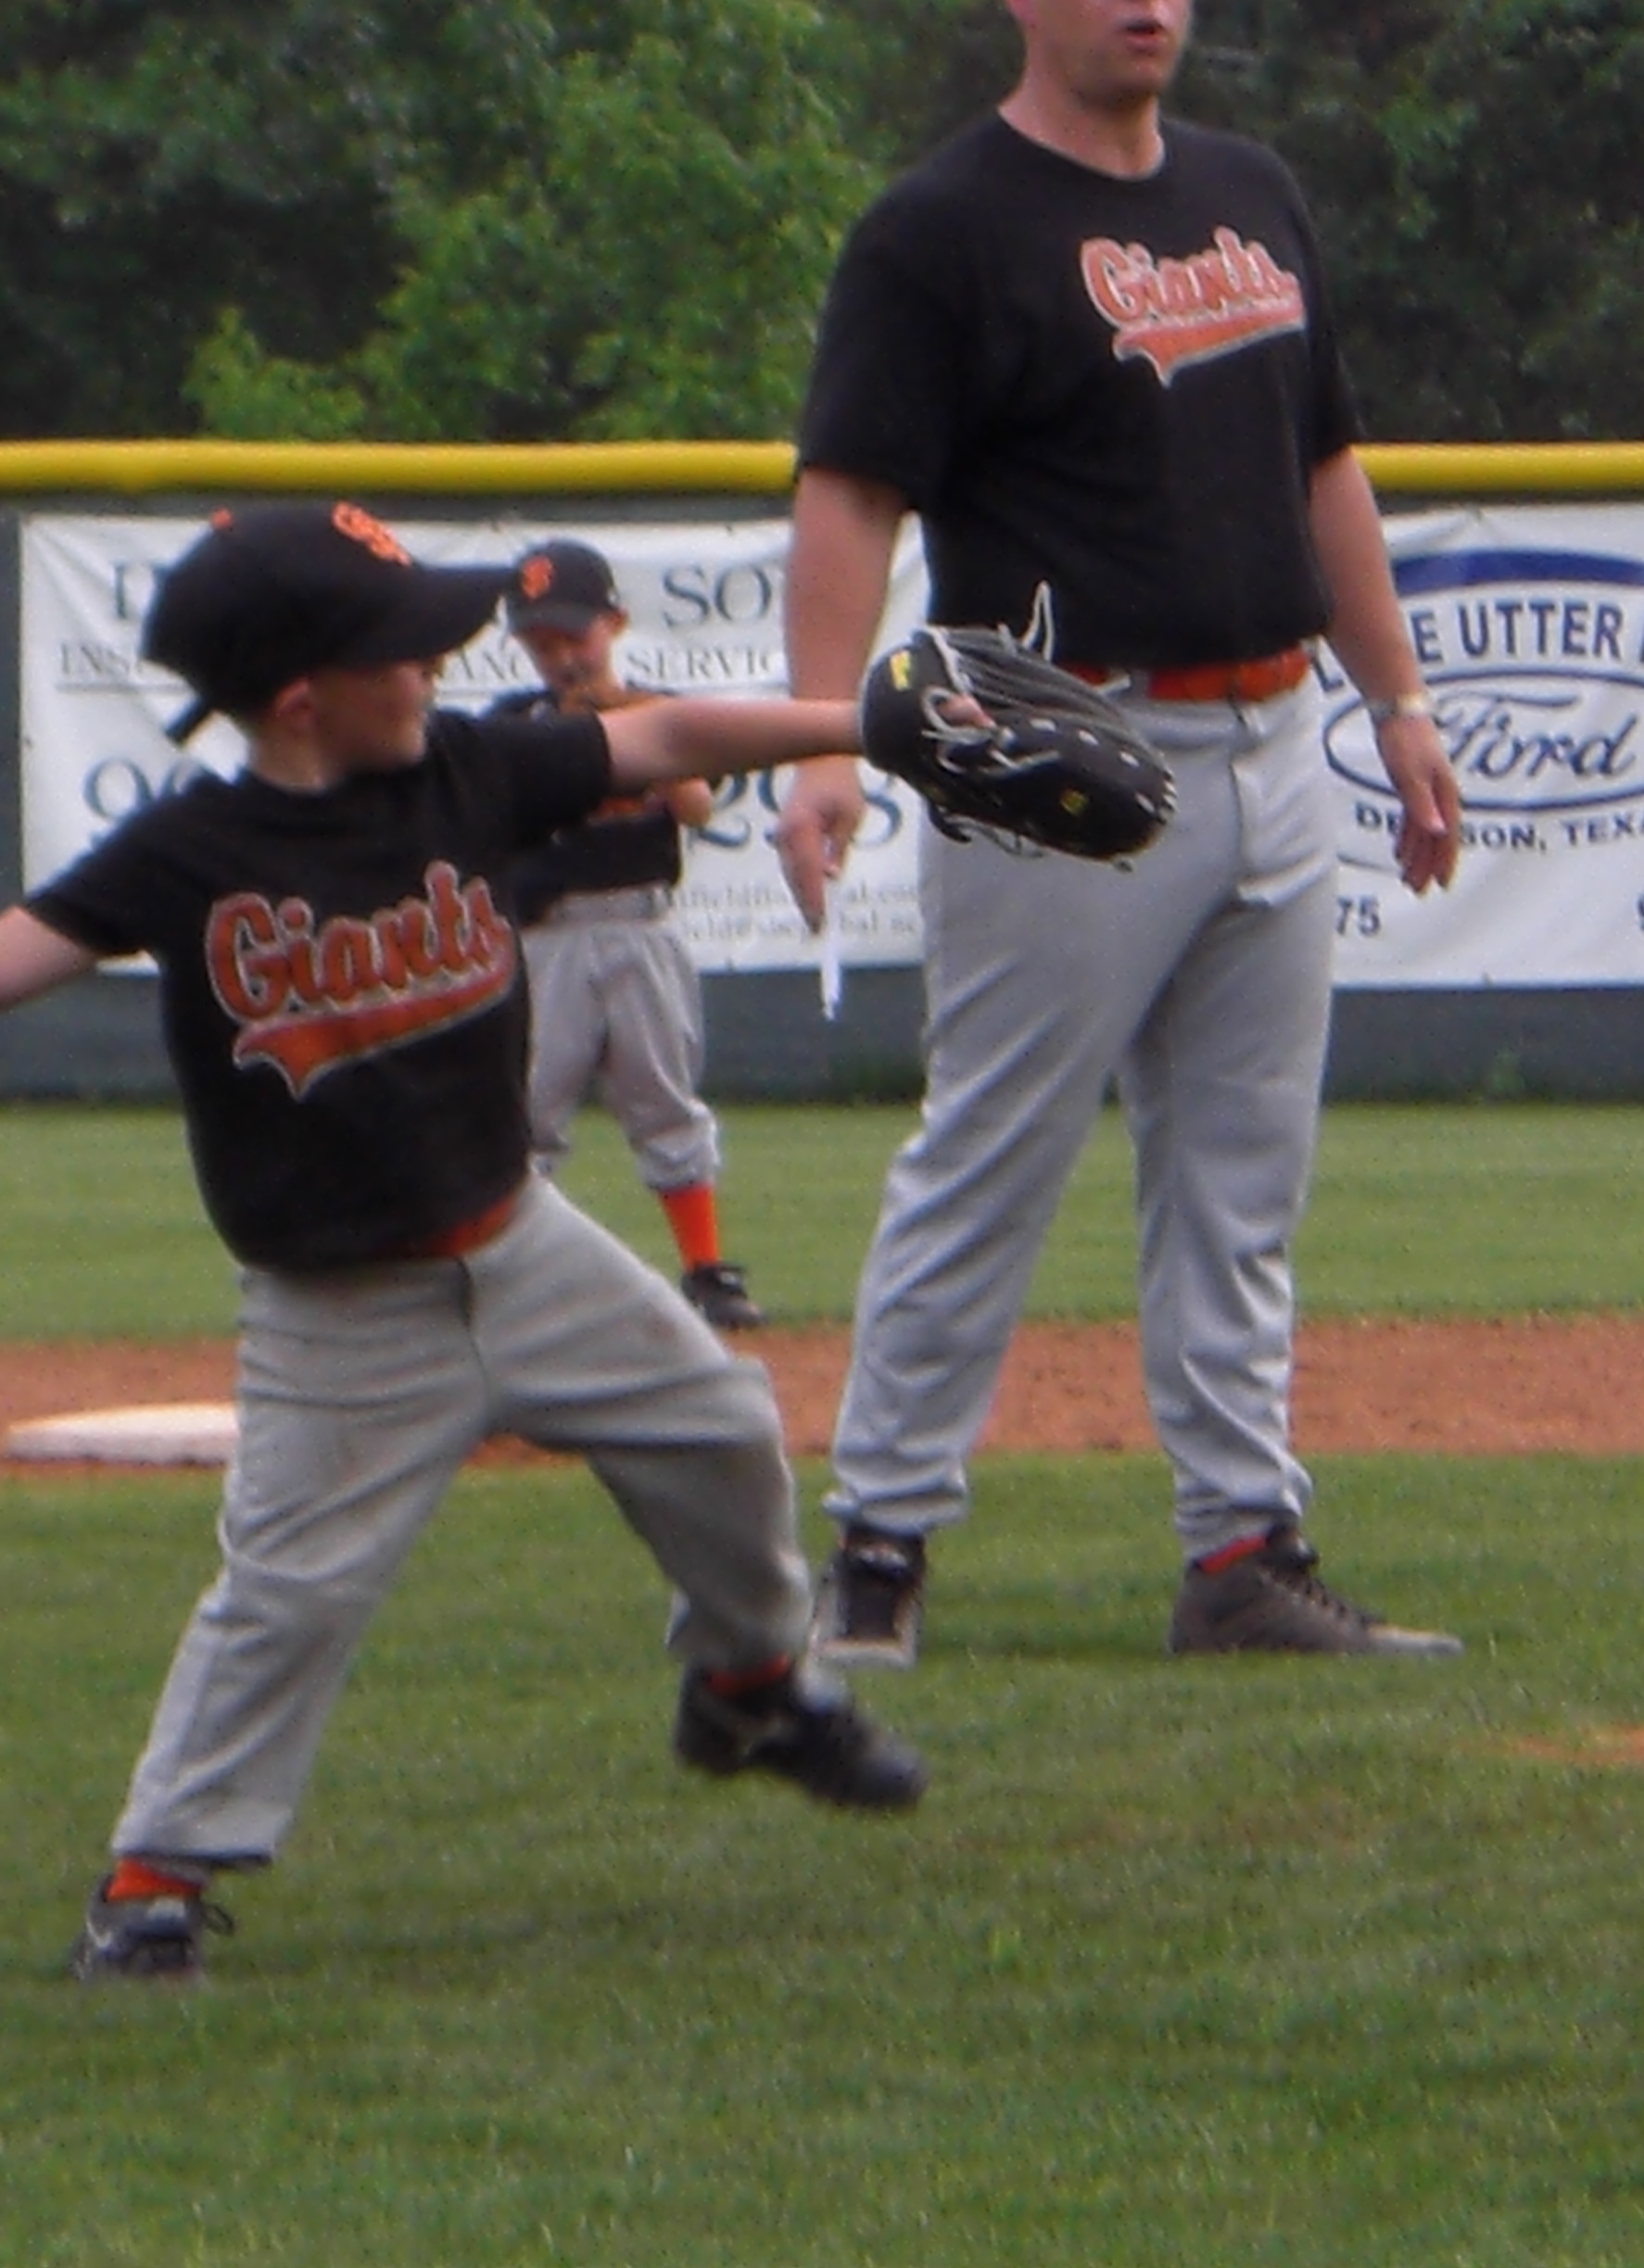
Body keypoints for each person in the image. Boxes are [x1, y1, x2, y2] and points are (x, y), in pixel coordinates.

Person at [0, 501, 926, 1986]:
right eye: (406, 649)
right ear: (304, 696)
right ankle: (154, 1879)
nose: (438, 666)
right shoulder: (192, 850)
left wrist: (870, 721)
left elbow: (667, 734)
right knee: (290, 1590)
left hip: (526, 1245)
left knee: (724, 1429)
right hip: (339, 1311)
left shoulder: (465, 773)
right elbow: (25, 947)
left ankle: (752, 1685)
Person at [770, 0, 1467, 1667]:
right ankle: (877, 1549)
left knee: (1242, 1181)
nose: (1146, 4)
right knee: (992, 1153)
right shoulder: (939, 227)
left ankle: (1240, 1552)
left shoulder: (1250, 189)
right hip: (1052, 731)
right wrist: (821, 740)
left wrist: (1398, 698)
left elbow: (1324, 464)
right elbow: (850, 493)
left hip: (1273, 727)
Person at [491, 537, 761, 1330]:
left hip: (642, 927)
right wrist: (567, 742)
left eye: (573, 636)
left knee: (665, 1099)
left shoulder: (658, 712)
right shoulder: (516, 725)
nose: (561, 658)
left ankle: (706, 1270)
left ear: (614, 623)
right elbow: (503, 811)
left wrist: (636, 728)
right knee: (526, 1111)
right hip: (548, 937)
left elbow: (697, 806)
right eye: (541, 644)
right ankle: (512, 1277)